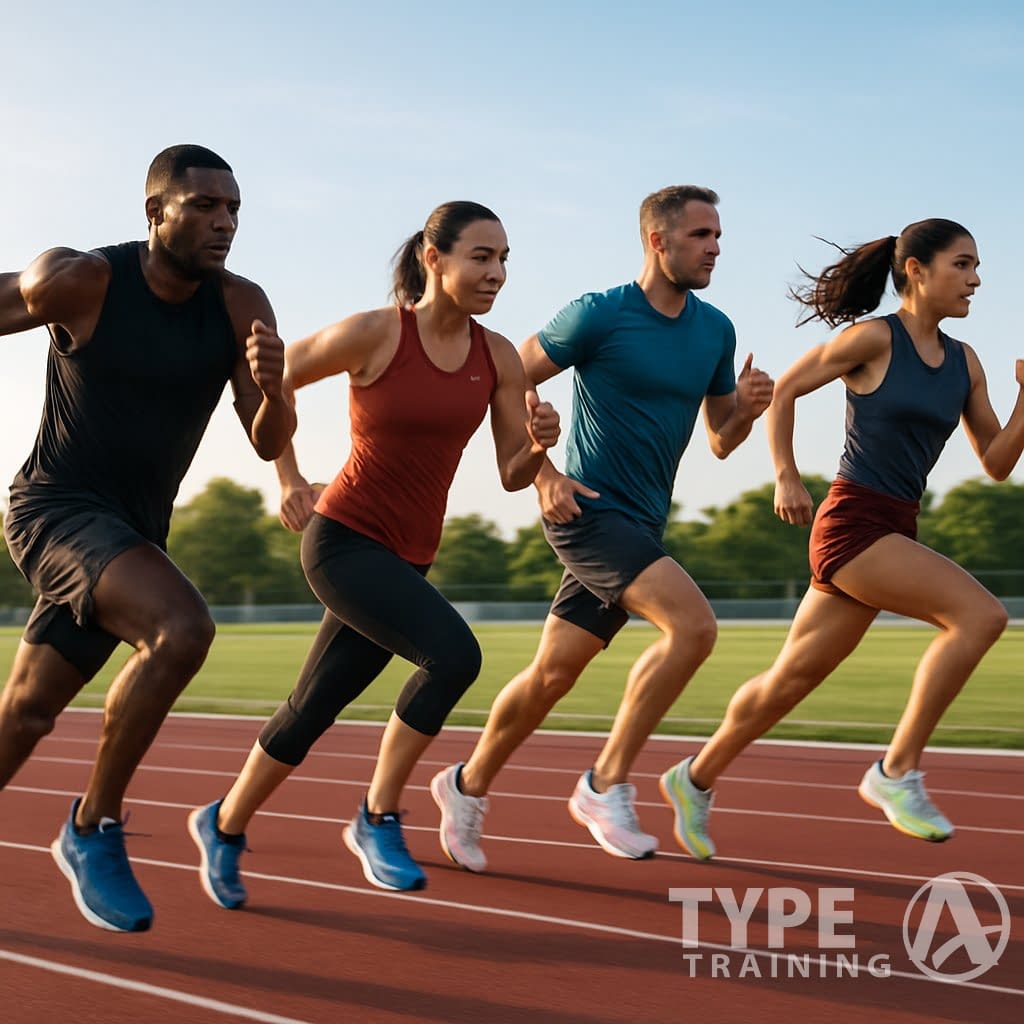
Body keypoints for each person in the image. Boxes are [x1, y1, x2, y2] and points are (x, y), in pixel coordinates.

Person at [187, 200, 560, 903]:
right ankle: (378, 815)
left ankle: (224, 823)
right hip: (343, 540)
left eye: (505, 259)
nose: (498, 272)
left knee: (312, 706)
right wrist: (290, 477)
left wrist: (539, 442)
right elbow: (273, 381)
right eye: (482, 256)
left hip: (409, 555)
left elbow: (513, 473)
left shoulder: (498, 356)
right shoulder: (376, 333)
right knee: (455, 657)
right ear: (434, 258)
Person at [429, 185, 774, 872]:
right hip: (586, 511)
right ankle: (605, 783)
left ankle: (464, 787)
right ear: (658, 240)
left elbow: (719, 440)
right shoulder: (600, 314)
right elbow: (503, 377)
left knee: (553, 673)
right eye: (702, 235)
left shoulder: (716, 330)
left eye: (718, 237)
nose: (715, 248)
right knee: (695, 627)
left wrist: (748, 413)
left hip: (643, 522)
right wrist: (543, 472)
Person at [658, 218, 1024, 860]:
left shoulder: (965, 362)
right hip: (853, 524)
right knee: (979, 616)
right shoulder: (873, 339)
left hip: (896, 525)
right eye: (962, 265)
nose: (976, 279)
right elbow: (790, 387)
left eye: (976, 266)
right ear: (917, 270)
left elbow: (996, 460)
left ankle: (693, 778)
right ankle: (895, 772)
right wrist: (786, 476)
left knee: (789, 679)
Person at [0, 145, 295, 932]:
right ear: (155, 213)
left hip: (128, 534)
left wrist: (275, 387)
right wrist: (36, 275)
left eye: (233, 208)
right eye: (203, 205)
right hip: (54, 510)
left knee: (25, 715)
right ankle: (92, 826)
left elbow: (268, 441)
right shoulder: (88, 281)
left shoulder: (240, 305)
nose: (223, 222)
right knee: (181, 627)